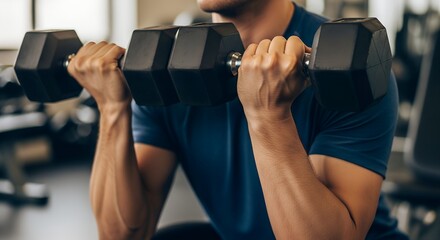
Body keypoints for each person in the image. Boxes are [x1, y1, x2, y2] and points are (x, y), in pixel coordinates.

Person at [67, 0, 408, 239]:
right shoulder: (165, 71)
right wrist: (112, 109)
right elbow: (124, 234)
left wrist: (268, 116)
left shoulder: (350, 67)